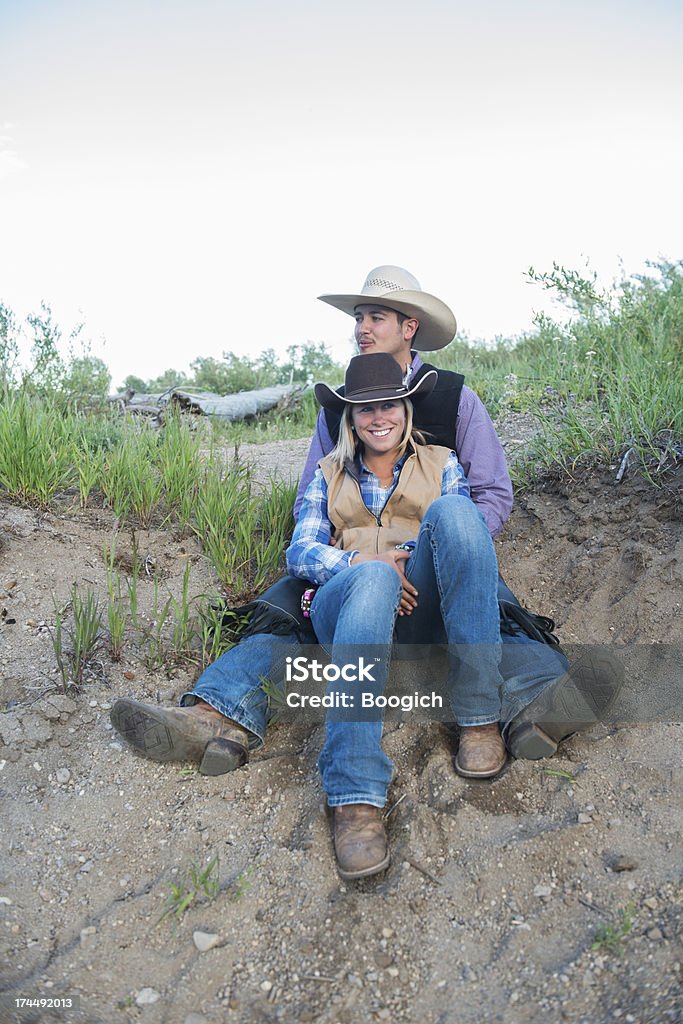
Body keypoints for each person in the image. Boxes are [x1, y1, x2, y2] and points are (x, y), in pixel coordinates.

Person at [111, 267, 619, 872]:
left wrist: (443, 560)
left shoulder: (454, 410)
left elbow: (490, 499)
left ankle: (523, 706)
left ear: (410, 327)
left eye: (375, 315)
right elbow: (307, 528)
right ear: (352, 416)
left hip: (434, 569)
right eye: (358, 317)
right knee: (294, 618)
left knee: (475, 573)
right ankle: (214, 718)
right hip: (351, 584)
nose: (362, 327)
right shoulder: (335, 430)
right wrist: (363, 564)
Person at [285, 351, 506, 878]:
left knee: (456, 512)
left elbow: (460, 538)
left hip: (421, 604)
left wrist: (405, 556)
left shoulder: (442, 462)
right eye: (364, 409)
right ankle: (354, 795)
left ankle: (479, 719)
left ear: (406, 411)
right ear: (350, 420)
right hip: (350, 608)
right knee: (375, 577)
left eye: (389, 405)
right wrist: (365, 562)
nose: (378, 417)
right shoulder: (326, 473)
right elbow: (301, 552)